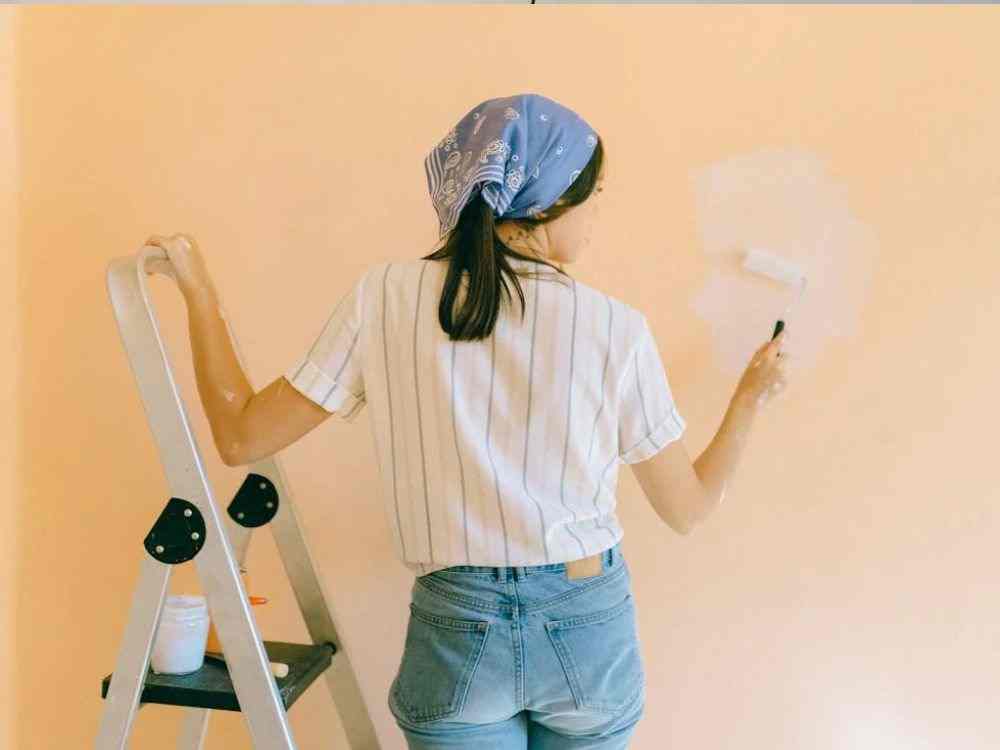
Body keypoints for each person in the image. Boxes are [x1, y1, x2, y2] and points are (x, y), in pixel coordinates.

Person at [145, 92, 789, 749]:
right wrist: (750, 398)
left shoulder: (385, 297)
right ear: (544, 202)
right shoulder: (614, 327)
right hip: (586, 626)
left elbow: (242, 435)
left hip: (459, 626)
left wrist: (200, 293)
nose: (598, 212)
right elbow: (687, 508)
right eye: (593, 194)